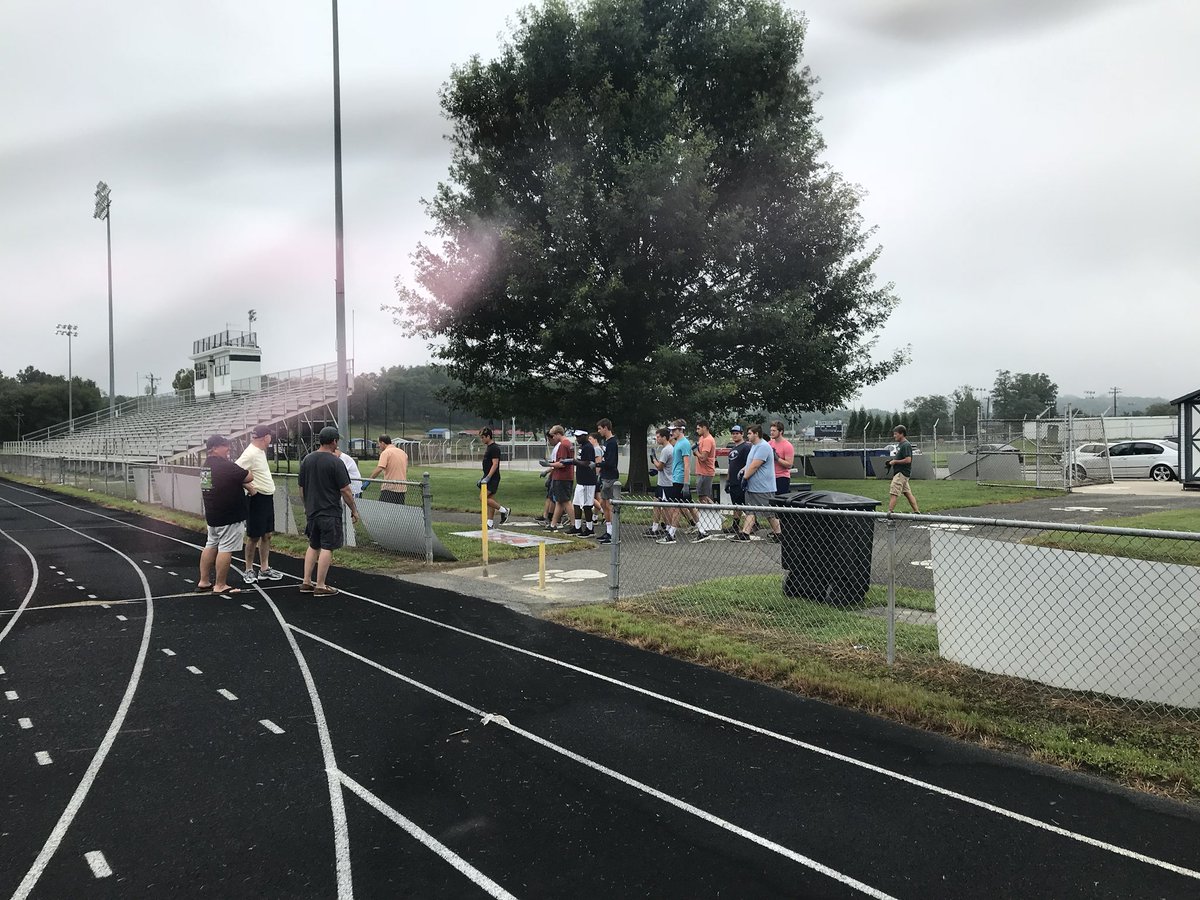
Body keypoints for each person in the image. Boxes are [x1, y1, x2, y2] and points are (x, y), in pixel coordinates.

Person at [298, 426, 360, 596]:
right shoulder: (336, 462)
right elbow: (346, 490)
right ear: (334, 441)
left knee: (313, 545)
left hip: (312, 510)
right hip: (329, 511)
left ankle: (306, 581)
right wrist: (353, 510)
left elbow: (301, 488)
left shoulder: (307, 460)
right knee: (327, 547)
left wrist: (306, 506)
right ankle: (320, 585)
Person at [197, 434, 256, 594]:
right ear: (214, 448)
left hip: (212, 513)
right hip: (229, 515)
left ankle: (204, 581)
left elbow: (224, 481)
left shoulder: (206, 466)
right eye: (225, 446)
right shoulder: (225, 466)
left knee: (211, 545)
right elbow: (248, 476)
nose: (228, 449)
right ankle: (220, 584)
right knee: (225, 549)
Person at [235, 424, 282, 584]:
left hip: (267, 497)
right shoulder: (250, 453)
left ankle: (264, 568)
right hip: (257, 498)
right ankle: (248, 569)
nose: (271, 438)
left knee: (267, 534)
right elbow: (234, 472)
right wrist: (250, 488)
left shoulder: (260, 452)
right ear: (265, 437)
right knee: (254, 536)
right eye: (270, 435)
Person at [734, 424, 781, 543]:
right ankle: (745, 533)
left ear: (756, 434)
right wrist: (743, 469)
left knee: (769, 512)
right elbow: (750, 463)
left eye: (749, 433)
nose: (748, 436)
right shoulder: (754, 446)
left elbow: (755, 465)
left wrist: (745, 477)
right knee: (750, 510)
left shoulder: (763, 447)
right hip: (753, 487)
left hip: (763, 487)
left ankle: (779, 534)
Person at [648, 427, 677, 543]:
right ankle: (657, 527)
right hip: (662, 481)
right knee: (658, 502)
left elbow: (660, 466)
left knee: (667, 507)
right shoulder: (667, 449)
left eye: (658, 437)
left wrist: (654, 460)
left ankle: (669, 529)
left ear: (664, 437)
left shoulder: (667, 450)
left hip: (667, 482)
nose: (657, 439)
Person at [478, 427, 510, 529]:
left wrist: (488, 477)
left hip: (493, 478)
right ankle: (490, 523)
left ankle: (504, 510)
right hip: (488, 476)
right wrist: (483, 477)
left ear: (488, 436)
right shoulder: (489, 447)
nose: (482, 439)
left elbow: (495, 464)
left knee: (482, 498)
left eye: (483, 437)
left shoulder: (494, 448)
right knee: (490, 499)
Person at [595, 418, 620, 544]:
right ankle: (608, 529)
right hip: (605, 476)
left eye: (600, 428)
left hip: (610, 476)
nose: (599, 431)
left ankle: (613, 532)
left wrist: (599, 464)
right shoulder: (607, 442)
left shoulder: (612, 443)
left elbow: (610, 462)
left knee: (608, 505)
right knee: (603, 504)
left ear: (606, 427)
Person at [886, 425, 921, 514]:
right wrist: (892, 462)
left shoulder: (905, 445)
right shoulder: (900, 445)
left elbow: (908, 460)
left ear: (901, 434)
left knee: (894, 492)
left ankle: (889, 513)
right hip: (901, 473)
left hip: (901, 473)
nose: (894, 436)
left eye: (896, 434)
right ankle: (916, 512)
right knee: (907, 493)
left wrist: (895, 462)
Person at [692, 420, 717, 542]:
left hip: (706, 472)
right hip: (701, 472)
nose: (697, 431)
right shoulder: (702, 438)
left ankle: (714, 516)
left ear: (705, 428)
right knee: (702, 497)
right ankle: (709, 519)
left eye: (699, 428)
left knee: (704, 497)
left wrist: (695, 451)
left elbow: (703, 457)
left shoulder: (708, 440)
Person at [545, 425, 574, 530]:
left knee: (566, 501)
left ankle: (574, 524)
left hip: (562, 477)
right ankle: (553, 524)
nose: (552, 438)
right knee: (559, 501)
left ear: (558, 434)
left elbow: (562, 464)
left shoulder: (563, 445)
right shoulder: (569, 443)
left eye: (553, 435)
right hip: (565, 476)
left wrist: (548, 465)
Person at [569, 430, 597, 537]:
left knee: (586, 505)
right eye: (576, 436)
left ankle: (589, 528)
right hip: (581, 481)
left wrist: (575, 462)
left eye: (579, 436)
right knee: (576, 504)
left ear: (585, 436)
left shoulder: (588, 447)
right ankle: (577, 527)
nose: (577, 438)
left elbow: (588, 462)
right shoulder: (582, 447)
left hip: (587, 481)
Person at [724, 425, 750, 535]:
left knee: (745, 504)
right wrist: (728, 480)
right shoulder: (733, 449)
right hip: (733, 481)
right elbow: (731, 466)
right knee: (736, 504)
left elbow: (749, 464)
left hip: (742, 480)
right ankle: (735, 525)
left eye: (737, 433)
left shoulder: (746, 447)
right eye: (733, 433)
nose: (735, 435)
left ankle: (752, 524)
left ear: (742, 434)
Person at [369, 434, 408, 504]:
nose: (379, 446)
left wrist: (369, 480)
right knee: (398, 512)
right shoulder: (403, 453)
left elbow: (380, 468)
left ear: (383, 443)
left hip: (389, 488)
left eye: (379, 444)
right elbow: (406, 470)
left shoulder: (385, 453)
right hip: (402, 488)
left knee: (384, 511)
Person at [769, 420, 795, 496]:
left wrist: (777, 458)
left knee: (780, 501)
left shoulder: (787, 445)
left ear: (781, 432)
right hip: (770, 477)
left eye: (774, 431)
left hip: (782, 478)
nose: (771, 432)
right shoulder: (770, 443)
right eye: (771, 430)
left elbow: (789, 465)